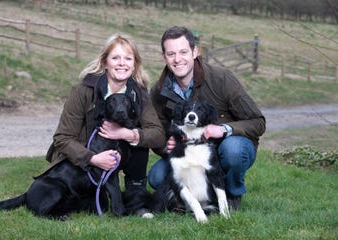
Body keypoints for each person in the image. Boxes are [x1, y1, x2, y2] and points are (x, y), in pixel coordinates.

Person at [46, 33, 165, 216]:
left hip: (119, 152)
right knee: (91, 205)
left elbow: (157, 134)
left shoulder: (140, 95)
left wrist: (128, 134)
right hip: (82, 161)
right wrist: (92, 158)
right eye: (115, 57)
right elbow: (62, 138)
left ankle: (135, 198)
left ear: (135, 64)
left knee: (140, 140)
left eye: (127, 58)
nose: (121, 63)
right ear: (105, 62)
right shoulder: (83, 91)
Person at [148, 26, 266, 211]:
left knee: (233, 151)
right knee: (156, 176)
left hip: (225, 147)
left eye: (183, 52)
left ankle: (232, 195)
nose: (177, 59)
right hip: (189, 153)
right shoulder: (159, 91)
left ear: (195, 52)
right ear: (164, 57)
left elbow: (258, 121)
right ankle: (191, 199)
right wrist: (166, 144)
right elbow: (156, 130)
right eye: (171, 54)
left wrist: (224, 129)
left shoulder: (221, 78)